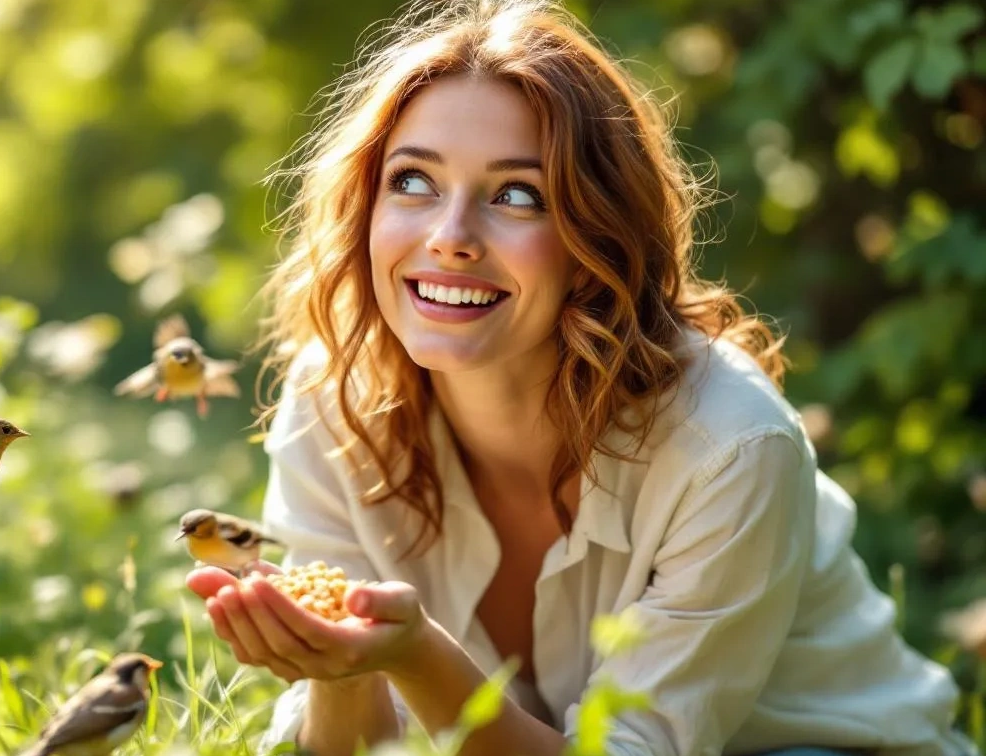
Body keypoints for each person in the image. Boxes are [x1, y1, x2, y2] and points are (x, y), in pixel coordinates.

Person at [185, 1, 973, 754]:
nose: (449, 236)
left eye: (518, 195)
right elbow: (351, 750)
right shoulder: (338, 406)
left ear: (595, 236)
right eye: (414, 182)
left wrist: (419, 656)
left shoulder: (731, 447)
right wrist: (345, 671)